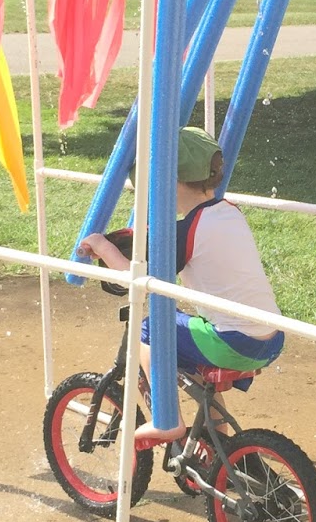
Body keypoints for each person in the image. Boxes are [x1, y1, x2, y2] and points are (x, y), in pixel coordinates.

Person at [79, 125, 284, 446]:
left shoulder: (188, 231)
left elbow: (138, 282)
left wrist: (103, 247)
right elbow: (195, 244)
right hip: (271, 338)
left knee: (150, 330)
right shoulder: (228, 212)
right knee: (191, 353)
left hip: (234, 342)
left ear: (170, 182)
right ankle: (217, 441)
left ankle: (167, 419)